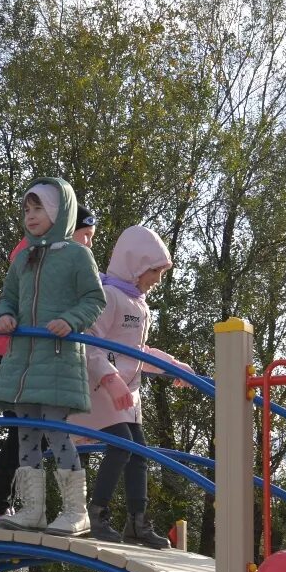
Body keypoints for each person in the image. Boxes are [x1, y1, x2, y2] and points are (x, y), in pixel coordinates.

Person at [0, 177, 107, 535]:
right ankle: (32, 510)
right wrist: (4, 316)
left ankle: (76, 510)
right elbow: (8, 297)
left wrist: (70, 321)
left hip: (56, 357)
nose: (30, 215)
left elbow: (94, 299)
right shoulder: (23, 256)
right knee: (26, 431)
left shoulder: (76, 254)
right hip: (23, 359)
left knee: (56, 431)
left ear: (59, 211)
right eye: (26, 209)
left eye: (38, 207)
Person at [74, 225, 190, 548]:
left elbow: (140, 353)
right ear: (135, 266)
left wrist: (172, 366)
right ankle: (97, 514)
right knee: (123, 445)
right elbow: (88, 346)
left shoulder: (141, 306)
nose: (157, 279)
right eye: (154, 271)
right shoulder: (109, 296)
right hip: (102, 389)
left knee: (139, 452)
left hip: (127, 393)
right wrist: (110, 379)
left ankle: (137, 522)